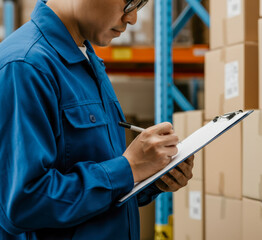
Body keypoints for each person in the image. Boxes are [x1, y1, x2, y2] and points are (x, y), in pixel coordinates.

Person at [0, 0, 195, 239]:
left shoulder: (86, 59)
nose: (132, 18)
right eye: (129, 3)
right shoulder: (25, 66)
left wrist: (149, 175)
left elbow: (99, 183)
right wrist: (129, 168)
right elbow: (24, 203)